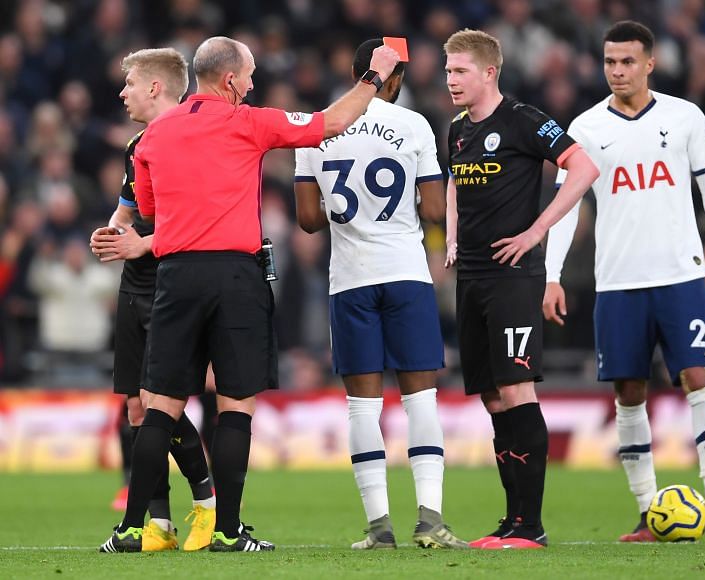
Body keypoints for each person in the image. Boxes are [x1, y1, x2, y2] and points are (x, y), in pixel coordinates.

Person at [99, 35, 400, 553]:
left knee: (161, 407)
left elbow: (148, 209)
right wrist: (373, 77)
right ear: (231, 80)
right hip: (236, 276)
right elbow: (330, 123)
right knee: (236, 404)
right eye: (251, 74)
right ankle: (227, 531)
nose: (255, 82)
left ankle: (131, 529)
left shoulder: (153, 136)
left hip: (174, 276)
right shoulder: (251, 121)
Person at [543, 20, 705, 542]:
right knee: (628, 393)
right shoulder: (585, 129)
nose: (617, 71)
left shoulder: (684, 117)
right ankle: (650, 513)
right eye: (610, 62)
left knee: (698, 376)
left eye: (627, 62)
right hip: (617, 284)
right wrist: (552, 275)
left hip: (680, 276)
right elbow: (565, 208)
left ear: (649, 63)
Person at [294, 38, 467, 551]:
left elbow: (306, 221)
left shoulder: (316, 126)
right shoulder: (413, 125)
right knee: (421, 399)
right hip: (407, 274)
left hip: (350, 278)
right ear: (392, 80)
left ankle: (378, 528)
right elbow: (435, 211)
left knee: (362, 409)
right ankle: (431, 521)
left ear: (353, 73)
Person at [443, 29, 599, 550]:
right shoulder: (457, 130)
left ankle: (531, 525)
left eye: (460, 70)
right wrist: (452, 236)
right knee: (491, 398)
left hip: (514, 277)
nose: (450, 80)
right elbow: (453, 180)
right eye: (447, 70)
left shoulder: (525, 120)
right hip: (472, 277)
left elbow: (584, 168)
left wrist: (536, 232)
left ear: (490, 72)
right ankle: (510, 523)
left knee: (516, 390)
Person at [90, 47, 216, 552]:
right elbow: (126, 209)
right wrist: (110, 233)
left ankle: (206, 503)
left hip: (175, 278)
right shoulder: (137, 144)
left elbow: (200, 216)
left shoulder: (194, 140)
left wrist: (142, 241)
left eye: (130, 84)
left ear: (156, 88)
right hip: (135, 283)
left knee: (164, 404)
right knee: (138, 408)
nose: (122, 93)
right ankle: (159, 525)